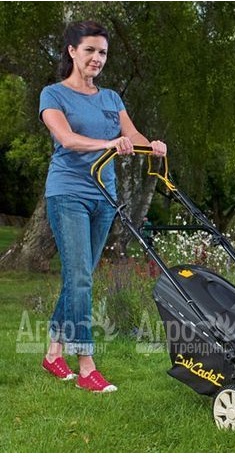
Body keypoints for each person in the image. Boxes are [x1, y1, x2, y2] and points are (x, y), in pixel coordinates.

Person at [39, 20, 167, 393]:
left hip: (104, 196)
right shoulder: (53, 94)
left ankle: (52, 354)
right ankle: (86, 367)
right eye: (90, 50)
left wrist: (150, 145)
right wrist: (108, 144)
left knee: (80, 277)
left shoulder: (111, 98)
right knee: (80, 277)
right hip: (68, 193)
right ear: (72, 51)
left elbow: (132, 134)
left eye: (103, 52)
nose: (97, 58)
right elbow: (66, 138)